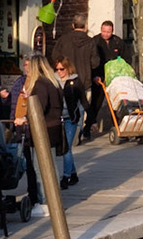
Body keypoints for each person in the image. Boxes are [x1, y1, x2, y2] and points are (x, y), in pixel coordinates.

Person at [21, 56, 71, 184]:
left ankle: (45, 201)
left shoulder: (40, 84)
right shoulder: (53, 82)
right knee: (51, 166)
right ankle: (52, 200)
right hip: (54, 128)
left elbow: (39, 109)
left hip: (43, 131)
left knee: (41, 168)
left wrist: (24, 119)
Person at [56, 19, 101, 144]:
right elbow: (95, 62)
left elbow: (55, 56)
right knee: (81, 107)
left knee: (65, 107)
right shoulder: (90, 41)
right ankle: (77, 132)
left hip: (65, 80)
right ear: (85, 26)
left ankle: (67, 133)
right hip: (84, 80)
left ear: (72, 25)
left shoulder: (63, 40)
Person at [53, 57, 83, 186]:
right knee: (65, 147)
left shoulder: (75, 81)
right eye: (57, 69)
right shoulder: (53, 81)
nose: (59, 72)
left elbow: (82, 101)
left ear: (68, 68)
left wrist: (88, 121)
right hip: (58, 118)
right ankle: (73, 174)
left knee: (67, 149)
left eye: (62, 69)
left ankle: (65, 177)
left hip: (71, 118)